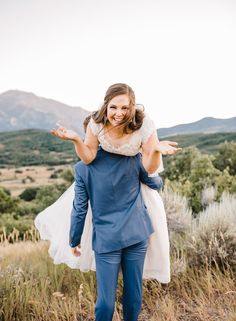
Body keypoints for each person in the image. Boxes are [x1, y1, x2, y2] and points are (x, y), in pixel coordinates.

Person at [35, 83, 181, 283]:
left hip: (135, 185)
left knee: (148, 235)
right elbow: (88, 157)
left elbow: (149, 169)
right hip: (114, 194)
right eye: (114, 107)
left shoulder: (143, 123)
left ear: (132, 107)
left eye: (125, 108)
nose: (119, 113)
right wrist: (77, 139)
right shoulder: (96, 123)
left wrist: (155, 150)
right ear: (106, 105)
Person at [70, 146, 163, 321]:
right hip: (136, 233)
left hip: (107, 239)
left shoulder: (82, 168)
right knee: (133, 289)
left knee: (105, 297)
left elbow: (79, 208)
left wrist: (74, 239)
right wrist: (153, 160)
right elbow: (156, 183)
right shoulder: (132, 158)